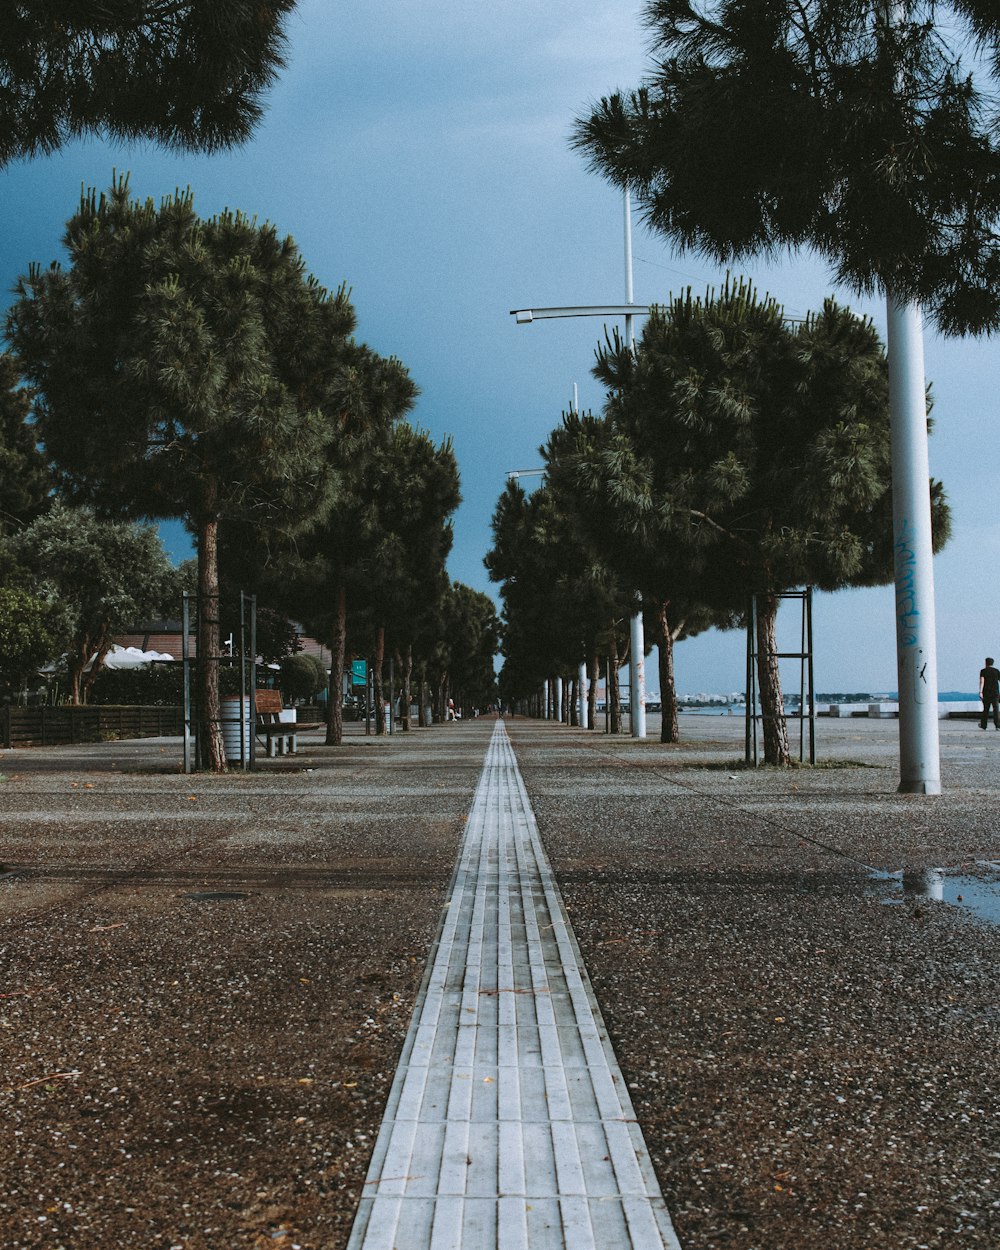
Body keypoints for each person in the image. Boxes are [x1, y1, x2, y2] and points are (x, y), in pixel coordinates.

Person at [979, 657, 1000, 730]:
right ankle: (997, 726)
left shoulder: (983, 671)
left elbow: (982, 681)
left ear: (986, 663)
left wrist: (980, 692)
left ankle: (984, 725)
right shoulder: (997, 671)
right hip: (995, 693)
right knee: (996, 709)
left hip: (986, 693)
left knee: (986, 709)